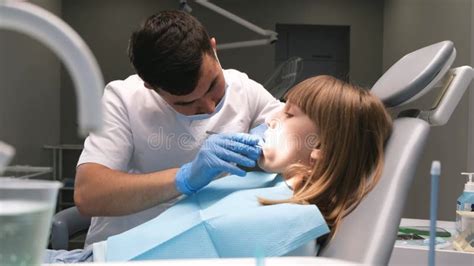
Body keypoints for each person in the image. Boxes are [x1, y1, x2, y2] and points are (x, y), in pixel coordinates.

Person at [44, 75, 393, 263]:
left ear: (320, 147)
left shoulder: (289, 225)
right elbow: (88, 193)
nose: (271, 117)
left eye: (288, 114)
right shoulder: (276, 184)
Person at [74, 10, 282, 246]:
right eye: (186, 103)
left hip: (207, 248)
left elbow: (291, 125)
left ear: (213, 48)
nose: (209, 107)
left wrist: (270, 133)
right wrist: (183, 177)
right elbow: (88, 194)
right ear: (151, 87)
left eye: (213, 85)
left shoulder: (244, 88)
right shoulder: (123, 98)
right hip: (129, 249)